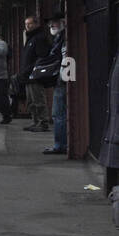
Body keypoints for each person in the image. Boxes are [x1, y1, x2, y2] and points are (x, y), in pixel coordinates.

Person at [19, 16, 52, 132]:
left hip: (35, 76)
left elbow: (42, 56)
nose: (27, 26)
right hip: (28, 76)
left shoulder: (39, 38)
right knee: (31, 101)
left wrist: (32, 70)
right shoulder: (31, 38)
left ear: (36, 24)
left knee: (38, 100)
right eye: (26, 24)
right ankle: (35, 121)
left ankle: (43, 123)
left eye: (30, 24)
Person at [43, 16, 67, 155]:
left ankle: (60, 145)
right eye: (50, 23)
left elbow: (56, 57)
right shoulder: (59, 38)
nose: (51, 25)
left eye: (54, 22)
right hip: (61, 78)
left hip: (63, 79)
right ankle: (61, 144)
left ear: (64, 22)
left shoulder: (64, 38)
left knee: (58, 114)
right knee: (59, 114)